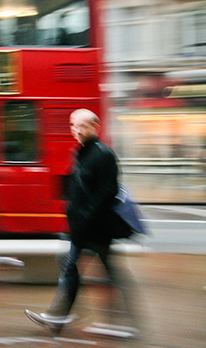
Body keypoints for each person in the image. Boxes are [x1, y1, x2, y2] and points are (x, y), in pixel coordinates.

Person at [25, 109, 137, 336]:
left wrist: (85, 217)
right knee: (75, 269)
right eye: (73, 125)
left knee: (87, 271)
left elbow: (108, 192)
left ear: (96, 127)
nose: (76, 130)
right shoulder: (79, 152)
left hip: (96, 229)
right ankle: (60, 317)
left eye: (82, 126)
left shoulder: (103, 154)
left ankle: (121, 320)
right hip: (81, 227)